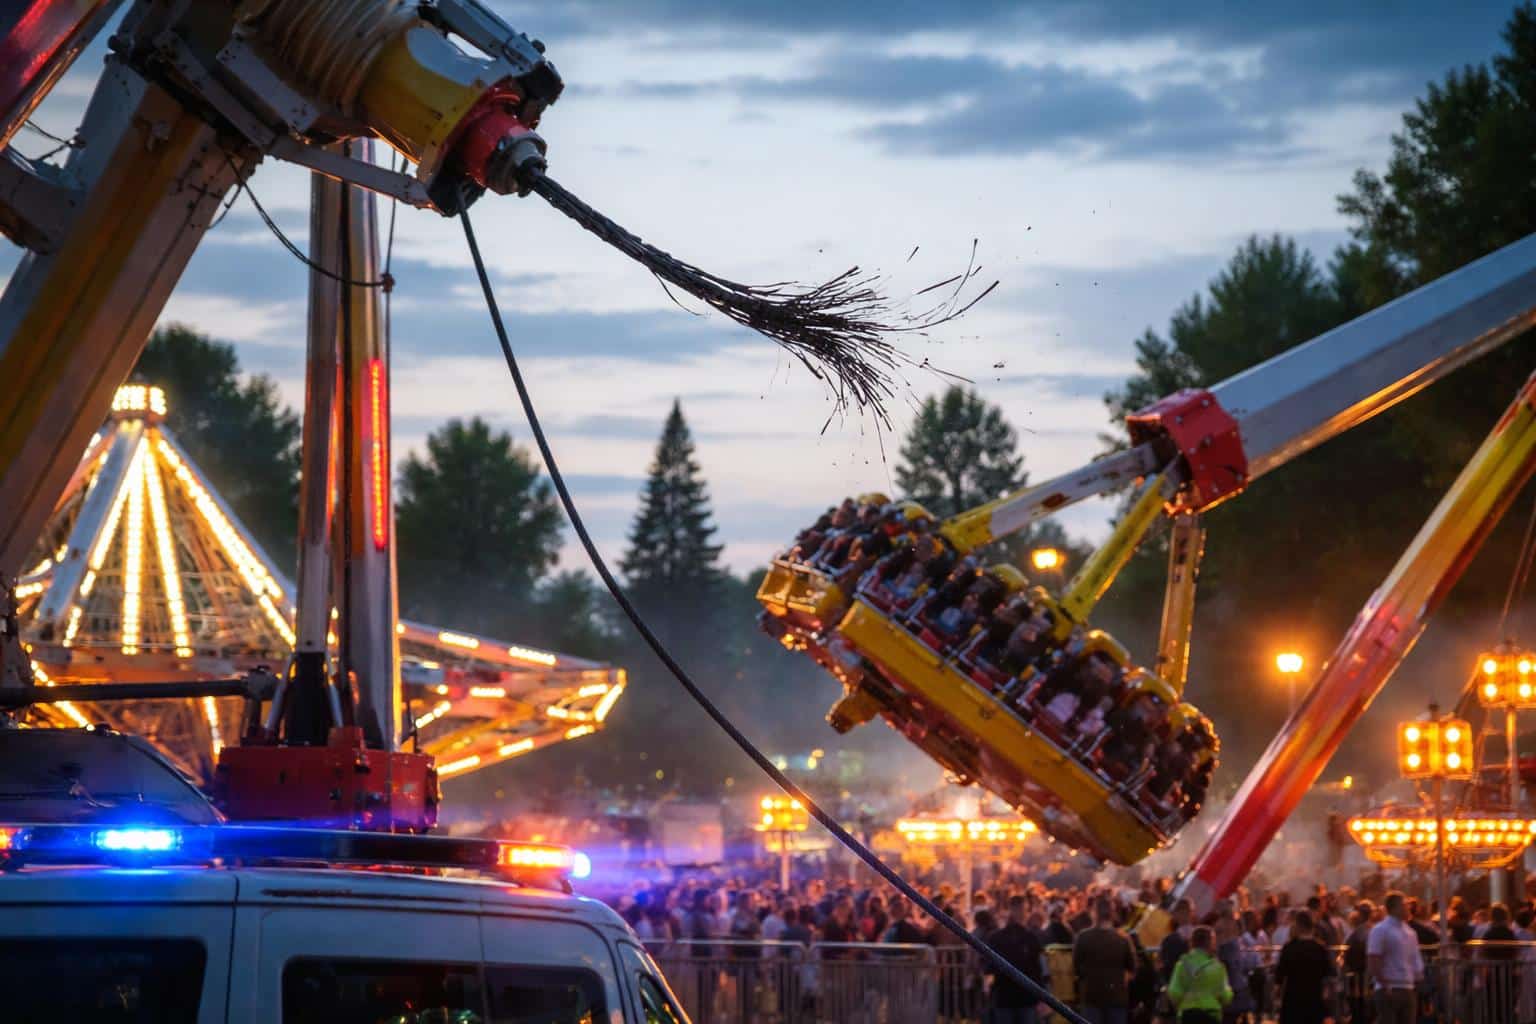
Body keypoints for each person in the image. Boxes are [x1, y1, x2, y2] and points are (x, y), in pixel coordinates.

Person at [1073, 897, 1137, 1024]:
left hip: (1091, 996)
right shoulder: (1122, 939)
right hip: (1116, 997)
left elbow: (1076, 967)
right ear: (1112, 914)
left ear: (1094, 913)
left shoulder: (1083, 937)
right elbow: (1132, 967)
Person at [988, 895, 1048, 1024]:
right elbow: (1039, 969)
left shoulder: (997, 937)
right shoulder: (1031, 937)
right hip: (1021, 996)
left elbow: (989, 968)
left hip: (1006, 995)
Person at [1367, 891, 1423, 1024]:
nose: (1408, 908)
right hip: (1389, 987)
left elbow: (1415, 959)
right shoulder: (1380, 930)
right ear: (1395, 908)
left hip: (1408, 987)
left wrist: (1417, 980)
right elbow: (1373, 958)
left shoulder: (1410, 932)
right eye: (1405, 904)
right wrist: (1384, 984)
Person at [1274, 911, 1334, 1024]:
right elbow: (1328, 975)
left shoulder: (1289, 948)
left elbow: (1280, 976)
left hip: (1292, 999)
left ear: (1297, 926)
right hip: (1314, 998)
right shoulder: (1320, 948)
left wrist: (1277, 995)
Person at [1167, 925, 1233, 1024]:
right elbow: (1225, 995)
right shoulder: (1217, 967)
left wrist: (1180, 1005)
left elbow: (1174, 992)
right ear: (1210, 942)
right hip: (1211, 1014)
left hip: (1188, 1014)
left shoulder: (1182, 965)